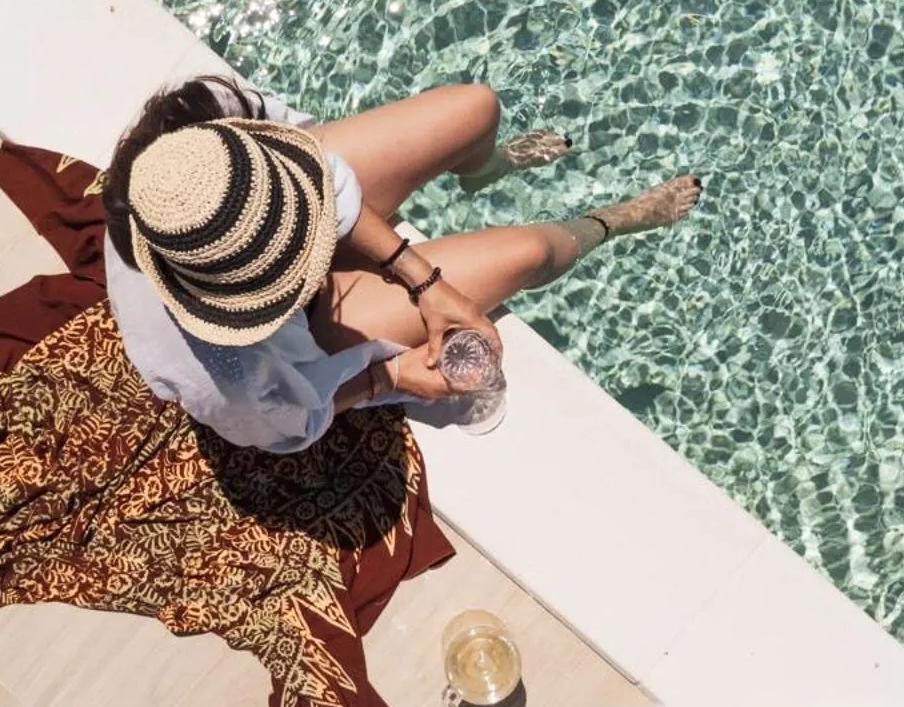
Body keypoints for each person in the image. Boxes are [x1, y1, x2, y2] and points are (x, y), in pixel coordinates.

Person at [100, 77, 701, 453]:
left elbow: (324, 187)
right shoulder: (231, 376)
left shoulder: (192, 159)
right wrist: (388, 379)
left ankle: (487, 169)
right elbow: (296, 424)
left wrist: (423, 279)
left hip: (253, 257)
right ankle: (613, 221)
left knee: (475, 108)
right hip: (283, 326)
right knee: (529, 253)